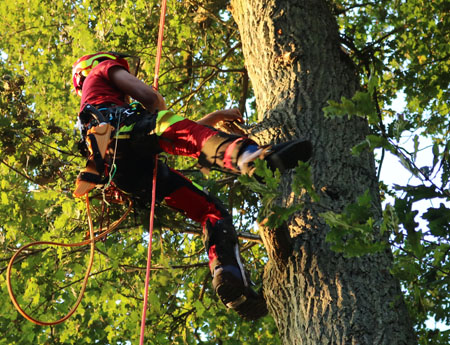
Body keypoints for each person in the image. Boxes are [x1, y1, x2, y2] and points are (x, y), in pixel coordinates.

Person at [71, 52, 312, 320]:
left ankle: (229, 278)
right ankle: (248, 157)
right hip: (119, 128)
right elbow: (151, 102)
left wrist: (215, 117)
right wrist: (155, 105)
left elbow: (183, 136)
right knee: (165, 126)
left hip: (125, 170)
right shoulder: (102, 69)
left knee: (210, 210)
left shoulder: (92, 102)